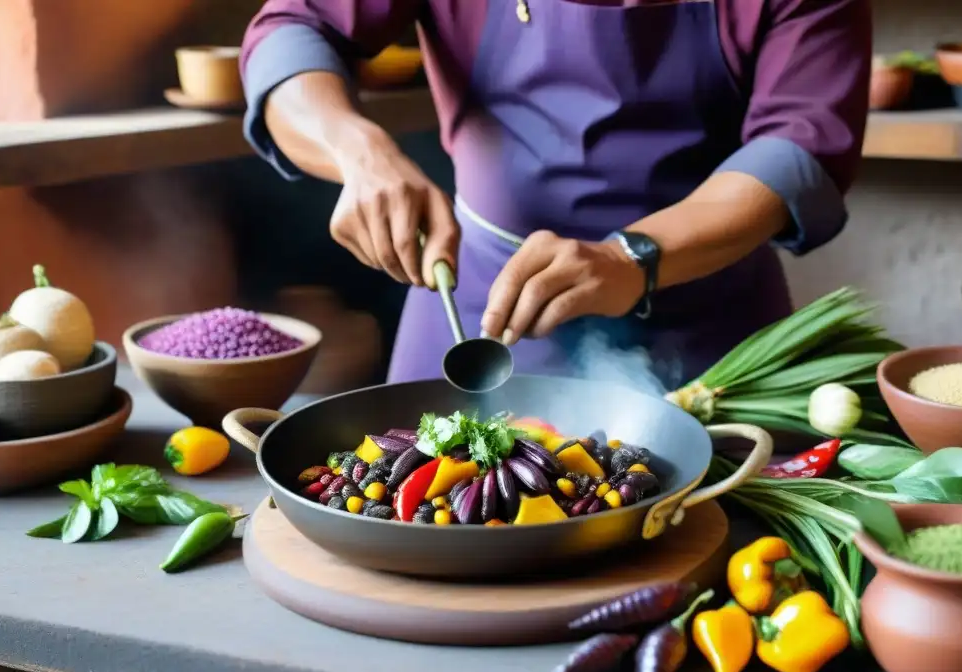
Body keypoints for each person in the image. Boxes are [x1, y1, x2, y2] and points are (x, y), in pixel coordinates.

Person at [239, 0, 871, 388]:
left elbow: (799, 143)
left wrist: (631, 260)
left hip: (712, 331)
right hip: (476, 313)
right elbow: (292, 30)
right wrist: (359, 153)